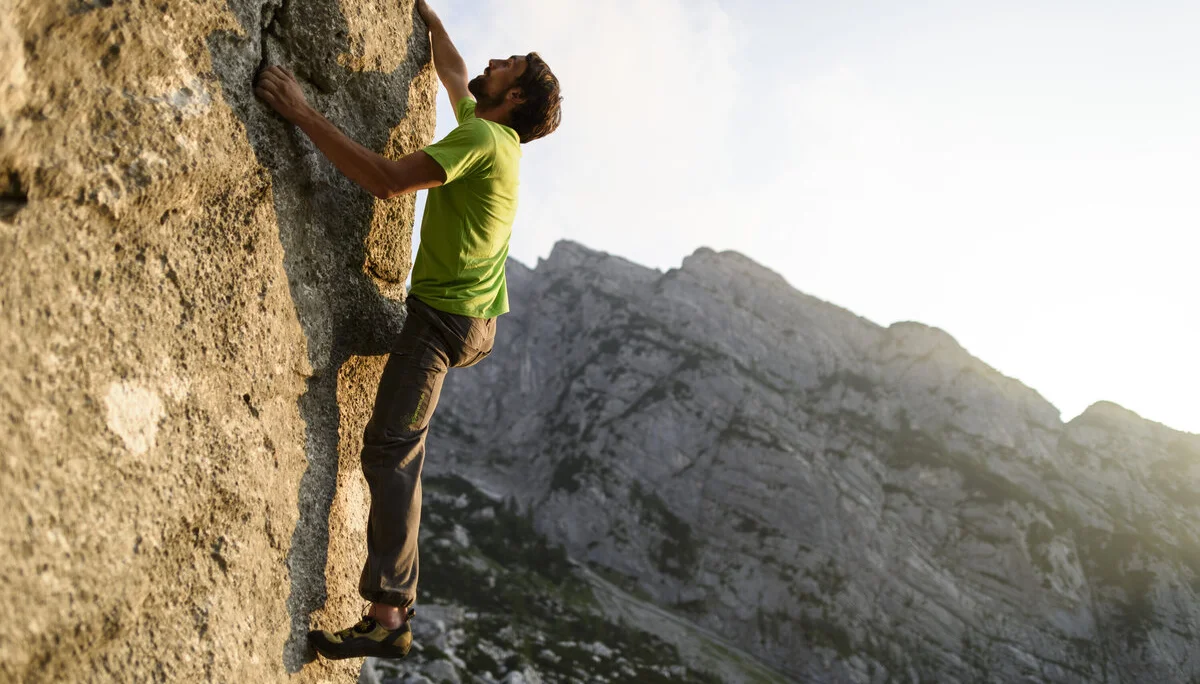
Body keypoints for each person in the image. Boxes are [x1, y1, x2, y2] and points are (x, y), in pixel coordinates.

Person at [253, 0, 562, 660]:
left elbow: (387, 182)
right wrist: (428, 16)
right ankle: (389, 607)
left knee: (391, 448)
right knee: (397, 431)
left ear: (515, 96)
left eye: (505, 64)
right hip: (457, 316)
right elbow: (452, 67)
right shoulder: (488, 128)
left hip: (446, 323)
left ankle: (389, 617)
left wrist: (300, 111)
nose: (491, 61)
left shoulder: (482, 139)